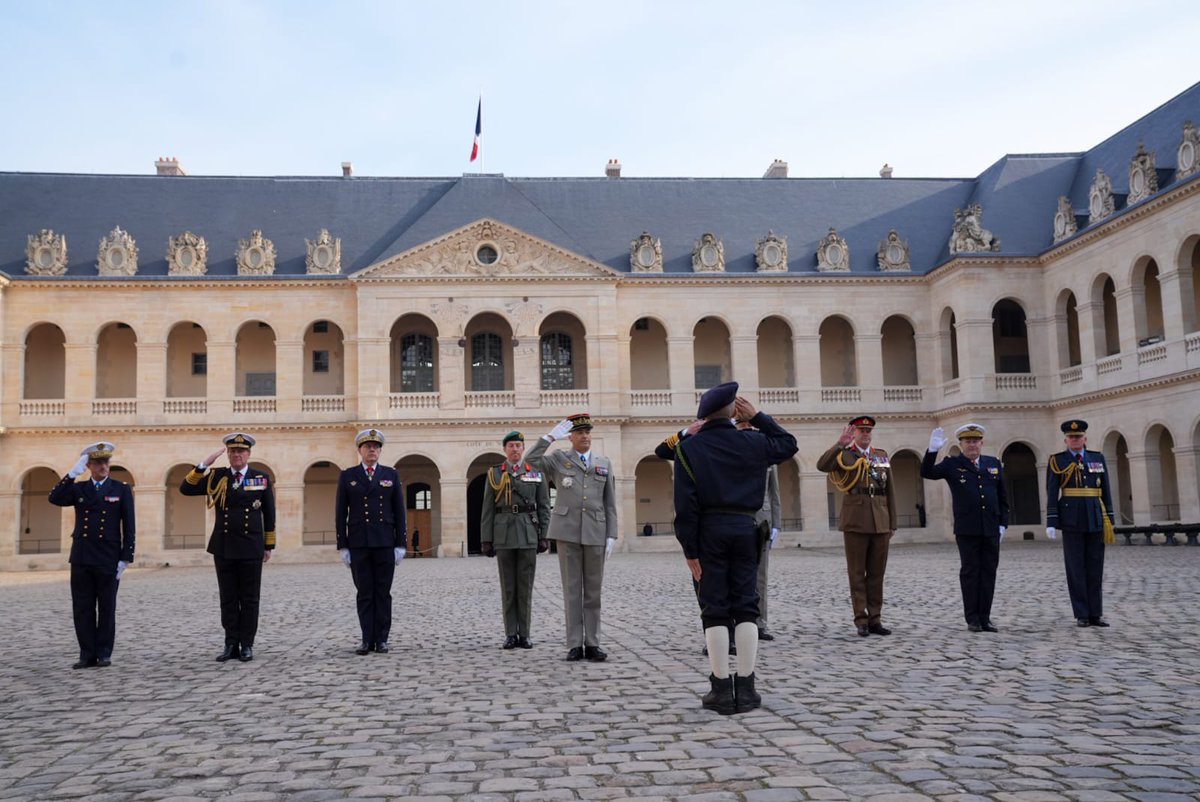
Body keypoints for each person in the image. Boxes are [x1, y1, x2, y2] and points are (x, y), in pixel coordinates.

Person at [673, 382, 797, 714]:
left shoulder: (689, 449)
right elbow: (789, 444)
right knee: (746, 606)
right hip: (745, 528)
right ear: (734, 410)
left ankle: (720, 689)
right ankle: (747, 687)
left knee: (714, 608)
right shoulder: (754, 441)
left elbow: (685, 506)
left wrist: (689, 550)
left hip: (709, 531)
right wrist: (759, 417)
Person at [526, 413, 618, 662]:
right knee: (572, 590)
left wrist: (612, 534)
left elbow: (610, 502)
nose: (585, 436)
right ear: (571, 436)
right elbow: (530, 461)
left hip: (596, 532)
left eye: (588, 432)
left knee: (593, 592)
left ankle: (593, 642)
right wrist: (548, 438)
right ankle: (575, 643)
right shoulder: (558, 459)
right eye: (579, 433)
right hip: (567, 531)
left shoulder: (603, 462)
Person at [179, 432, 275, 662]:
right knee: (228, 598)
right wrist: (203, 464)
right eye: (233, 451)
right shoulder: (217, 476)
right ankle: (231, 643)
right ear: (228, 455)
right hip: (224, 546)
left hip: (251, 546)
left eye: (241, 451)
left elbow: (269, 514)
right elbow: (186, 488)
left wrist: (268, 544)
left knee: (250, 598)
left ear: (248, 453)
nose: (237, 455)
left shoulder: (260, 477)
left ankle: (247, 644)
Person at [48, 441, 135, 669]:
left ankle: (104, 652)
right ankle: (86, 653)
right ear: (89, 465)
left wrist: (126, 557)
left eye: (106, 462)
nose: (103, 466)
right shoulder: (79, 489)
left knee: (106, 607)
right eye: (97, 462)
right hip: (82, 556)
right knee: (83, 607)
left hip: (108, 557)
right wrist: (71, 473)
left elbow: (129, 525)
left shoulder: (121, 489)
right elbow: (55, 498)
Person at [921, 423, 1009, 632]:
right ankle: (973, 618)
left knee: (989, 572)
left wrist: (1003, 523)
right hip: (967, 528)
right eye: (968, 441)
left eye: (975, 441)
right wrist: (932, 451)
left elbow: (1002, 496)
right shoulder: (952, 464)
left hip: (990, 527)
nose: (972, 445)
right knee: (970, 573)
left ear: (981, 443)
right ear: (960, 444)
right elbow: (928, 472)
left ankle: (985, 617)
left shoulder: (992, 463)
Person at [817, 415, 897, 637]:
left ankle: (875, 619)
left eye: (868, 431)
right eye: (861, 431)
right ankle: (860, 619)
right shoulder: (845, 455)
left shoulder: (881, 456)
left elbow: (890, 489)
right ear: (854, 434)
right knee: (856, 573)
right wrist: (840, 444)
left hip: (880, 520)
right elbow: (822, 465)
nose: (865, 435)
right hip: (855, 521)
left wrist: (893, 522)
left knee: (877, 574)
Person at [335, 428, 406, 655]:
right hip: (359, 544)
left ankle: (382, 639)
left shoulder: (390, 474)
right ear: (360, 450)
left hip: (384, 542)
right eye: (367, 446)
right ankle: (367, 639)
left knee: (383, 593)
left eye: (375, 447)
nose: (372, 450)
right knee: (364, 593)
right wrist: (343, 545)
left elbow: (399, 511)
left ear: (380, 450)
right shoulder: (348, 476)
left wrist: (400, 544)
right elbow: (340, 513)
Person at [481, 431, 551, 649]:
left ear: (523, 449)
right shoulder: (495, 474)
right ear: (504, 449)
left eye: (518, 446)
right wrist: (487, 539)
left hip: (528, 533)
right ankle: (510, 633)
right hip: (503, 536)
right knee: (508, 588)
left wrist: (544, 535)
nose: (514, 449)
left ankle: (525, 634)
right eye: (510, 446)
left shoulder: (534, 472)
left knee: (525, 587)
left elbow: (544, 506)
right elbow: (488, 508)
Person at [1046, 419, 1115, 627]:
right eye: (1071, 437)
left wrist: (1110, 519)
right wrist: (1051, 520)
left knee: (1095, 567)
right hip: (1071, 518)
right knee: (1076, 568)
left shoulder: (1097, 458)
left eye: (1078, 437)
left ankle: (1096, 613)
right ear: (1065, 440)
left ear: (1085, 438)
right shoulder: (1057, 461)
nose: (1075, 440)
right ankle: (1082, 614)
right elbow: (1051, 492)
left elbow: (1106, 491)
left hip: (1095, 516)